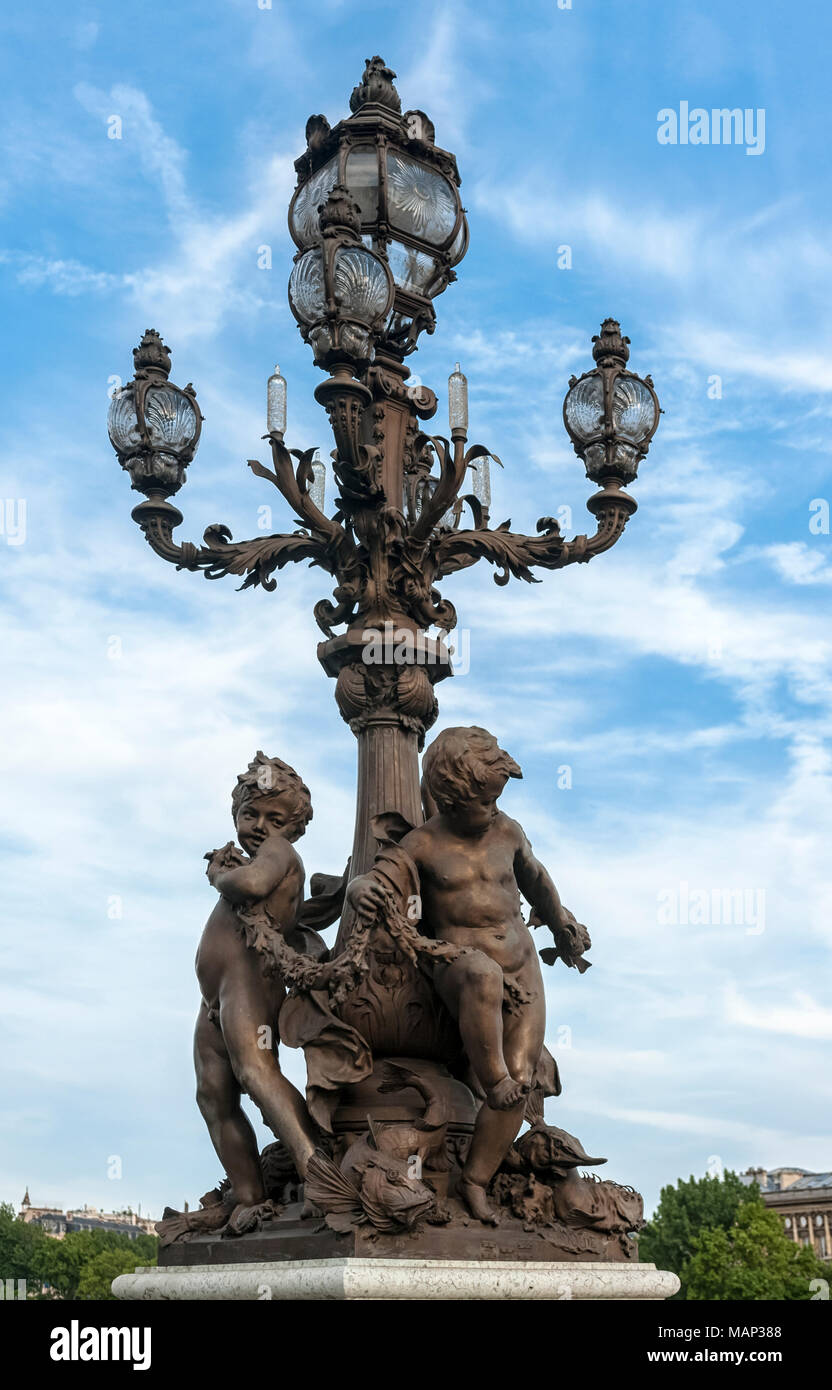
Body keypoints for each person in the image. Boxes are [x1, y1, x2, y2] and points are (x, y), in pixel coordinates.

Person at [347, 726, 590, 1224]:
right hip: (459, 969)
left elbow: (536, 879)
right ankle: (490, 1076)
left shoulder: (507, 830)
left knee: (522, 1083)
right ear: (451, 799)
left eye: (496, 799)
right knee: (482, 976)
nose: (493, 809)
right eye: (483, 801)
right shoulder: (424, 844)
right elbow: (375, 877)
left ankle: (475, 1181)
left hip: (522, 966)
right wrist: (359, 891)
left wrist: (561, 920)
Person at [195, 751, 322, 1235]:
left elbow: (248, 885)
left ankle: (318, 1172)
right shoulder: (265, 851)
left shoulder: (279, 855)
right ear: (235, 813)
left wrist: (217, 876)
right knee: (213, 1093)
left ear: (293, 826)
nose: (260, 826)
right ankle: (249, 1196)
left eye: (275, 818)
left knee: (256, 1073)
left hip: (251, 984)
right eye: (250, 814)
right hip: (216, 997)